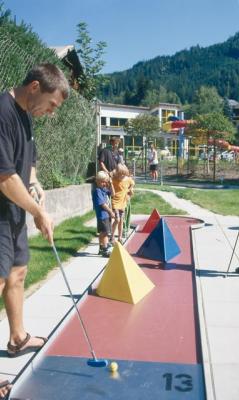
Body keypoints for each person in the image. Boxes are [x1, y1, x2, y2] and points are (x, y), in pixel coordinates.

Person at [0, 63, 69, 397]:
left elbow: (26, 162)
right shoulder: (1, 112)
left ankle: (17, 338)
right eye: (52, 104)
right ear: (34, 87)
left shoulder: (27, 115)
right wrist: (39, 211)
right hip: (0, 210)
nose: (52, 112)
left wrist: (36, 181)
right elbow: (4, 176)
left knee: (18, 271)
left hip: (13, 210)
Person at [92, 171, 115, 257]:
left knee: (102, 232)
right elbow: (103, 204)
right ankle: (105, 249)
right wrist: (111, 212)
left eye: (105, 182)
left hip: (106, 215)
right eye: (102, 182)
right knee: (105, 232)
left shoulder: (104, 190)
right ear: (97, 181)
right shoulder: (97, 191)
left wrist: (111, 183)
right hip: (103, 215)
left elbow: (113, 194)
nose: (104, 183)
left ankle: (101, 247)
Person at [110, 164, 135, 244]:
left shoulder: (128, 179)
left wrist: (129, 190)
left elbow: (133, 184)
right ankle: (112, 236)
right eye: (120, 174)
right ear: (117, 173)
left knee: (121, 221)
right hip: (115, 202)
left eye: (123, 174)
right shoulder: (114, 179)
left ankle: (120, 237)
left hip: (123, 203)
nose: (122, 176)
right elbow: (109, 183)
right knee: (117, 219)